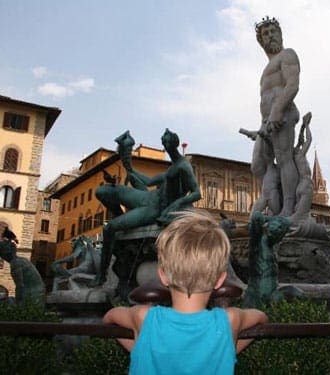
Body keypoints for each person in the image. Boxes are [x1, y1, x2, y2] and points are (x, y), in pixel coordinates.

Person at [103, 210, 267, 374]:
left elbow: (109, 318)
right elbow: (261, 318)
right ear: (220, 280)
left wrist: (138, 349)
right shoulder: (230, 321)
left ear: (163, 276)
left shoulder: (144, 318)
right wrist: (229, 349)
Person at [92, 128, 201, 286]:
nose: (164, 146)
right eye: (163, 143)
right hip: (146, 197)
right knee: (102, 191)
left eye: (165, 143)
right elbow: (149, 182)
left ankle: (101, 276)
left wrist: (177, 203)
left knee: (109, 229)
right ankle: (119, 216)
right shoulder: (172, 166)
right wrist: (129, 168)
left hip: (153, 209)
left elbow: (197, 193)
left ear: (173, 144)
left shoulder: (184, 166)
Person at [252, 16, 301, 217]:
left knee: (284, 159)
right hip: (266, 122)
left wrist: (278, 109)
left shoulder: (287, 55)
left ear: (281, 34)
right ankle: (274, 204)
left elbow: (292, 85)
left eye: (274, 31)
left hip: (282, 114)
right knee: (257, 164)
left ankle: (288, 209)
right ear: (261, 41)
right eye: (266, 33)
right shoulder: (266, 69)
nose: (271, 35)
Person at [0, 232, 45, 303]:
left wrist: (18, 302)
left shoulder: (15, 264)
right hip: (39, 296)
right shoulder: (23, 260)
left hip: (31, 299)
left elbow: (20, 286)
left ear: (4, 254)